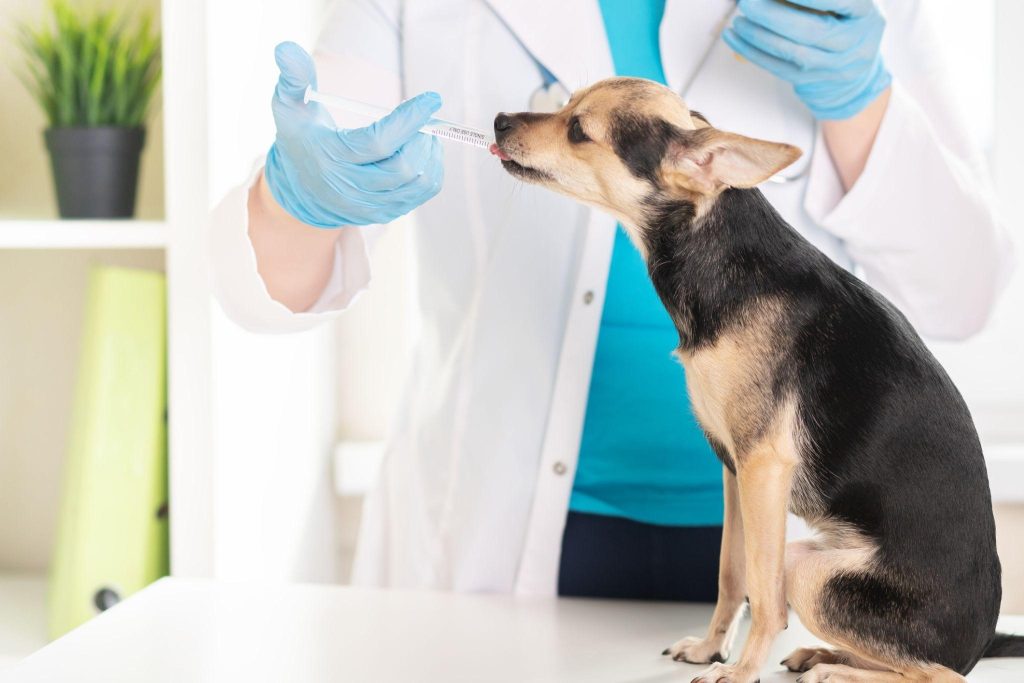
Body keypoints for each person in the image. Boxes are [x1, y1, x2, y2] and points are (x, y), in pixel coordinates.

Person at [210, 0, 1014, 599]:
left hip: (788, 544)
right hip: (502, 540)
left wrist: (861, 102)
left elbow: (963, 294)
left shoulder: (848, 13)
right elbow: (260, 295)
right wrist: (297, 202)